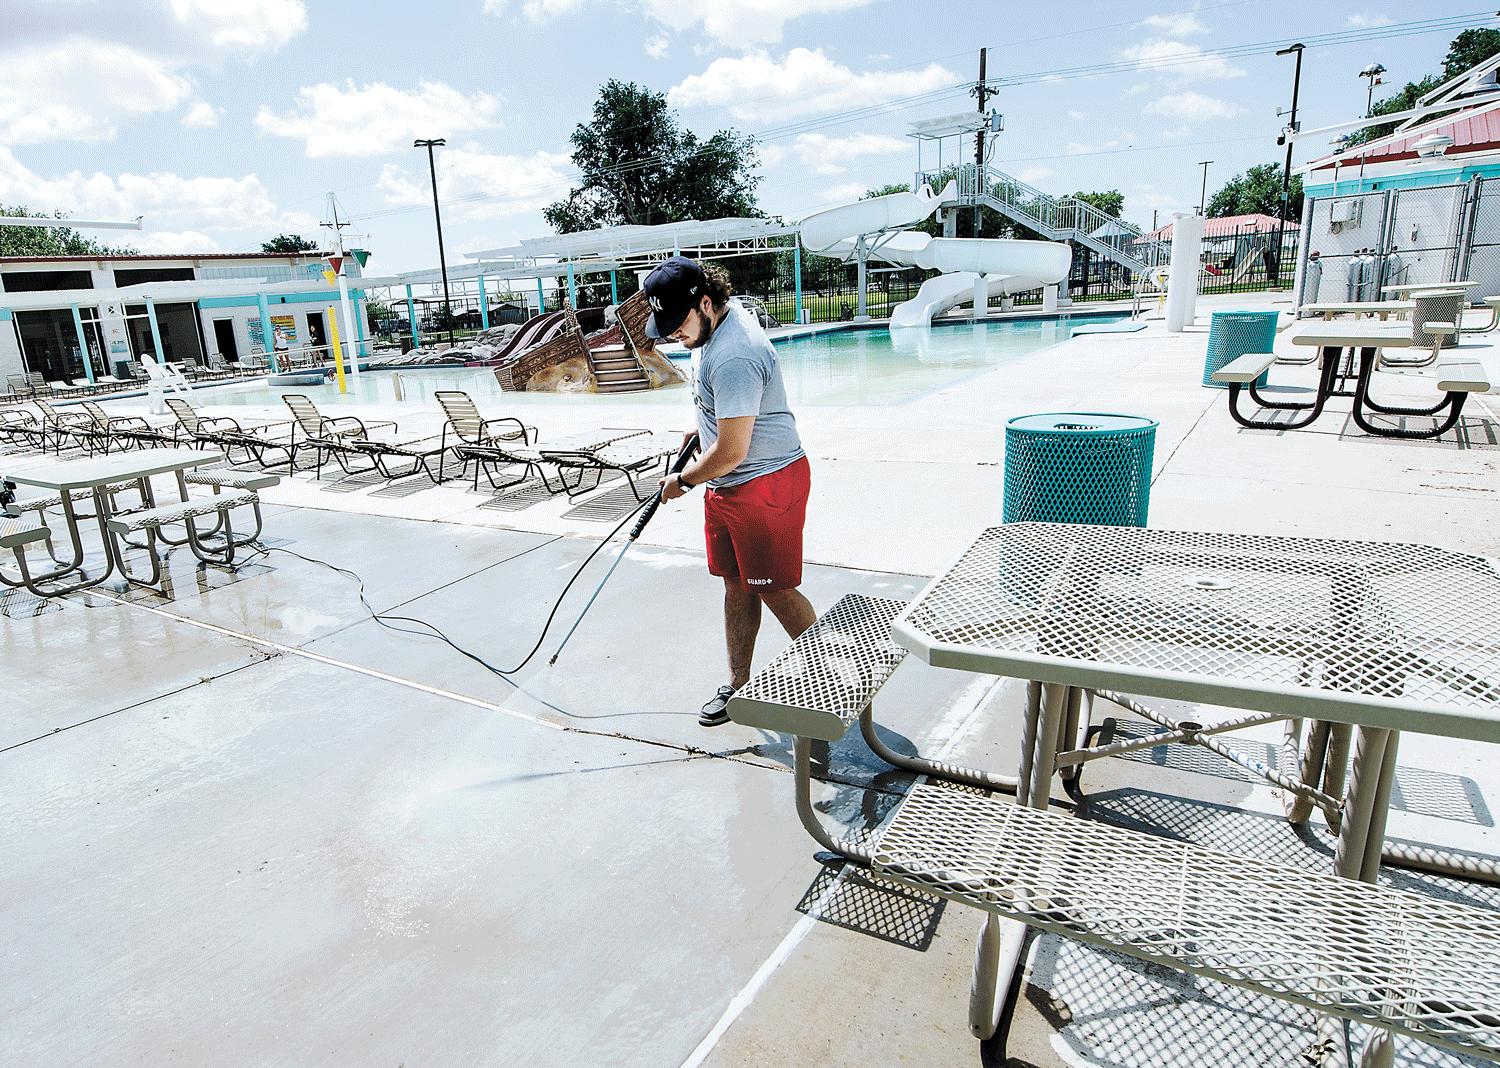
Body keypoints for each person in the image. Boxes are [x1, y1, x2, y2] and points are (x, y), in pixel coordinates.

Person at [647, 256, 816, 727]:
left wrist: (683, 480)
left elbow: (733, 451)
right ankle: (738, 684)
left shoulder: (735, 355)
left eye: (678, 323)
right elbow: (726, 416)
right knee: (736, 584)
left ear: (705, 302)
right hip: (729, 482)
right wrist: (702, 423)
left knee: (774, 590)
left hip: (764, 483)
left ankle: (834, 680)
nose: (673, 334)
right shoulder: (711, 323)